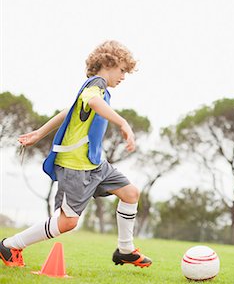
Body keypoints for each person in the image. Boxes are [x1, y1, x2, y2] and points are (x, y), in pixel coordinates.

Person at [0, 40, 152, 268]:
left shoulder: (97, 89)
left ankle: (126, 250)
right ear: (108, 63)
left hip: (96, 164)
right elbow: (93, 101)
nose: (123, 77)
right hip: (76, 166)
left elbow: (68, 112)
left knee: (130, 193)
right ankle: (10, 245)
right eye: (122, 70)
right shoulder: (96, 85)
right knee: (68, 222)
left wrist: (39, 133)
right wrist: (123, 123)